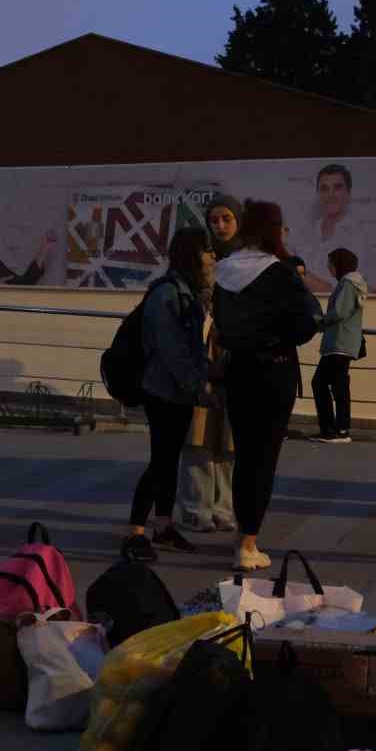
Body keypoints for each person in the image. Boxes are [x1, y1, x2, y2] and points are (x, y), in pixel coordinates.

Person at [213, 200, 318, 570]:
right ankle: (248, 542)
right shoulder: (281, 272)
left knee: (244, 455)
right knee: (264, 457)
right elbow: (308, 323)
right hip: (275, 370)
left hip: (238, 370)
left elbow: (221, 326)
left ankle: (243, 533)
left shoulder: (223, 270)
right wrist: (276, 337)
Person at [123, 228, 215, 562]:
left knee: (169, 460)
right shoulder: (167, 294)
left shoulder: (187, 290)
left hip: (177, 392)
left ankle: (163, 526)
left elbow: (191, 346)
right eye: (207, 251)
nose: (212, 256)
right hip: (163, 392)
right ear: (192, 254)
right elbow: (172, 350)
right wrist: (198, 388)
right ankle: (136, 532)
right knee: (160, 461)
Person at [176, 193, 240, 533]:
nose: (219, 226)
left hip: (232, 363)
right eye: (214, 219)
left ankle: (224, 508)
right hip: (200, 360)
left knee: (229, 438)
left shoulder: (248, 260)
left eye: (226, 218)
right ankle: (195, 508)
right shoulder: (194, 258)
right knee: (198, 435)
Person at [310, 248, 367, 444]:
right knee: (336, 385)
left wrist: (319, 321)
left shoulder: (347, 284)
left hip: (339, 343)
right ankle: (333, 429)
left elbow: (339, 312)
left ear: (339, 264)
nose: (328, 267)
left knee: (323, 384)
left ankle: (337, 430)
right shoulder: (352, 283)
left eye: (331, 263)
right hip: (342, 343)